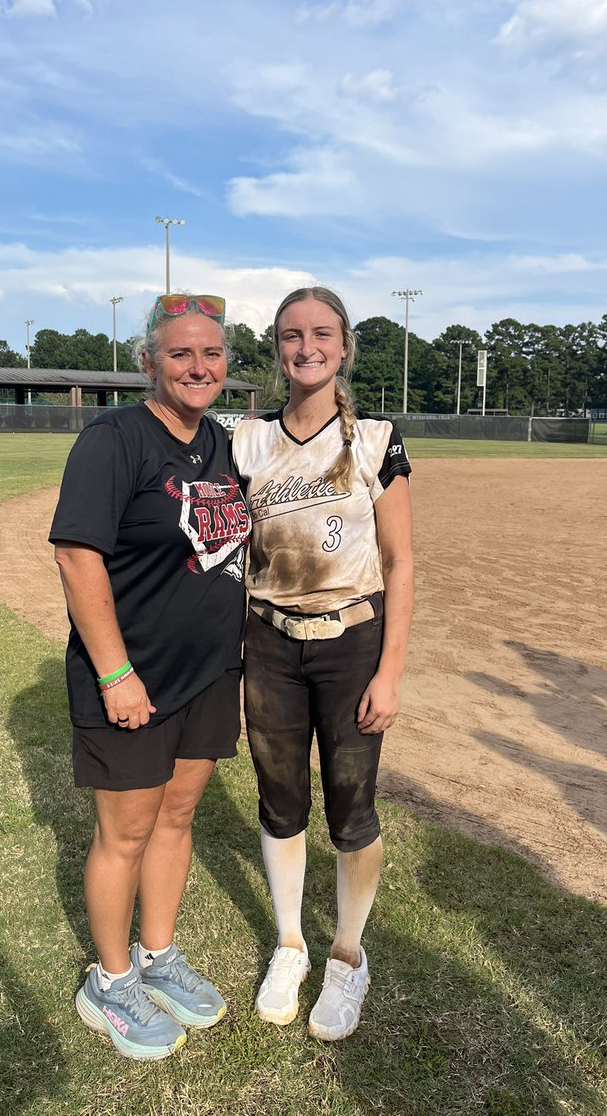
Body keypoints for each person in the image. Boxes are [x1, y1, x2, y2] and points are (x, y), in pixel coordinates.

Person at [49, 294, 251, 1061]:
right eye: (180, 354)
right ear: (148, 362)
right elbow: (76, 555)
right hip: (133, 677)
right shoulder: (115, 439)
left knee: (175, 818)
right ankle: (109, 981)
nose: (198, 367)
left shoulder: (222, 445)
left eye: (211, 354)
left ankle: (159, 957)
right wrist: (115, 675)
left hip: (206, 673)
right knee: (125, 831)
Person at [231, 285, 413, 1042]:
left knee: (352, 808)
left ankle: (347, 955)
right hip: (268, 642)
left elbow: (401, 562)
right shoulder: (246, 438)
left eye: (322, 334)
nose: (306, 347)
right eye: (291, 335)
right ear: (277, 348)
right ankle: (290, 944)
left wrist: (390, 670)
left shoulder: (374, 437)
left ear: (344, 346)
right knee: (279, 800)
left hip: (352, 645)